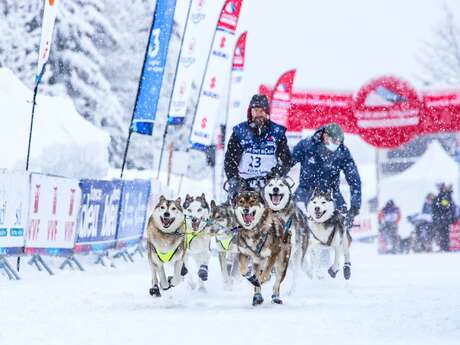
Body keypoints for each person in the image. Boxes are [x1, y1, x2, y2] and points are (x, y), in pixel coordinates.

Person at [291, 123, 361, 229]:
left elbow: (354, 179)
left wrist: (355, 207)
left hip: (332, 193)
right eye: (335, 141)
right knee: (297, 221)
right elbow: (287, 162)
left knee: (341, 225)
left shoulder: (342, 151)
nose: (337, 145)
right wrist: (277, 175)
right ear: (325, 136)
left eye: (339, 142)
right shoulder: (307, 145)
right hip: (306, 191)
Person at [224, 94, 292, 201]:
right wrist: (233, 179)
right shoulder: (240, 132)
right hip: (244, 184)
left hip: (270, 185)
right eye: (256, 110)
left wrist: (276, 174)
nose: (259, 114)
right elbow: (230, 160)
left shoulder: (277, 132)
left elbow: (286, 160)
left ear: (267, 112)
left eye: (262, 111)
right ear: (250, 112)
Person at [432, 183, 456, 252]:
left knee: (444, 234)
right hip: (444, 219)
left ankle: (445, 247)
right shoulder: (446, 196)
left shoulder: (444, 196)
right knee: (444, 234)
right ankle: (444, 247)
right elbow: (446, 206)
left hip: (444, 219)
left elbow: (445, 205)